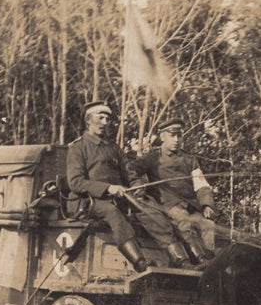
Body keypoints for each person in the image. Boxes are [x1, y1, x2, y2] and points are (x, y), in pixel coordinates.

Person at [65, 100, 179, 272]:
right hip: (87, 202)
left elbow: (130, 175)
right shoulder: (78, 147)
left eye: (107, 119)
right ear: (88, 120)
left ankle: (178, 258)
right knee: (112, 212)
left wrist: (138, 188)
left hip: (118, 198)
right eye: (100, 117)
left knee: (150, 210)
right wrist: (108, 188)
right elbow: (75, 182)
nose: (105, 122)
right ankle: (140, 263)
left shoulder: (114, 148)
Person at [134, 117, 218, 265]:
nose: (176, 139)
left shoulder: (189, 159)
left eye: (179, 135)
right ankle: (199, 260)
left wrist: (207, 205)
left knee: (208, 225)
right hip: (167, 205)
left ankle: (209, 262)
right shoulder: (152, 158)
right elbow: (131, 171)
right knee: (183, 219)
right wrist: (139, 184)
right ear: (162, 137)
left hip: (191, 206)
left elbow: (201, 185)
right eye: (172, 135)